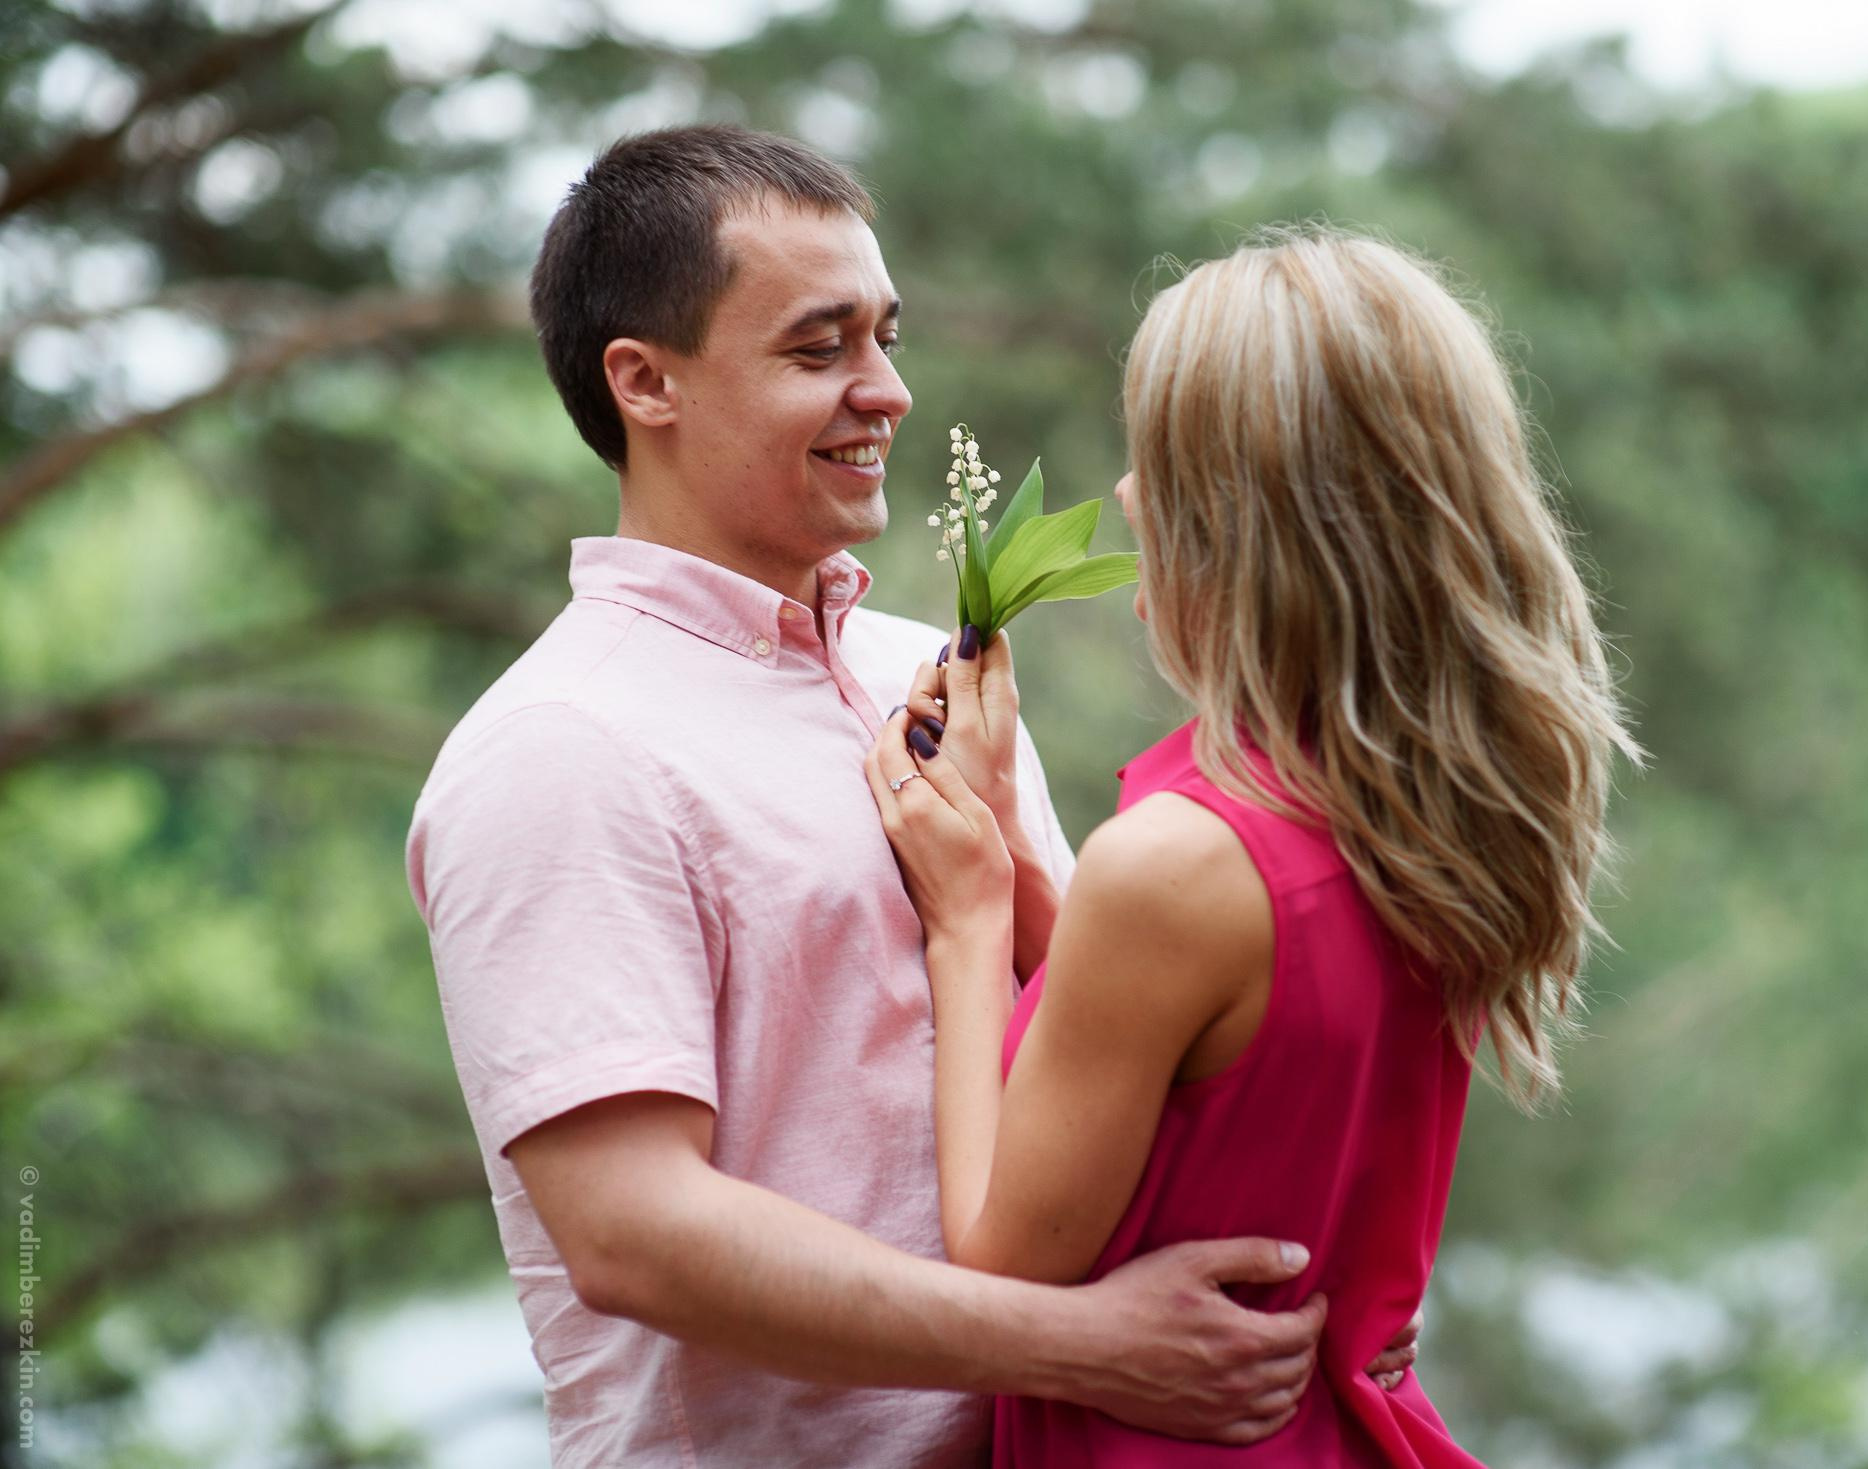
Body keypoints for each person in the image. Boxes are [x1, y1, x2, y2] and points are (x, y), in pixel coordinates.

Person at [405, 127, 1419, 1468]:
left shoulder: (923, 670)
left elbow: (1095, 1042)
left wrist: (1322, 1285)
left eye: (886, 337)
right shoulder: (560, 748)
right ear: (646, 384)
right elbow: (631, 1232)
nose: (885, 390)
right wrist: (1085, 1346)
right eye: (819, 349)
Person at [867, 226, 1645, 1465]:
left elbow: (1002, 1258)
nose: (1123, 495)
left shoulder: (1177, 866)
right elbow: (1216, 1063)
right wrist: (1016, 851)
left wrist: (966, 921)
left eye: (1154, 462)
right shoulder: (1431, 799)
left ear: (1241, 519)